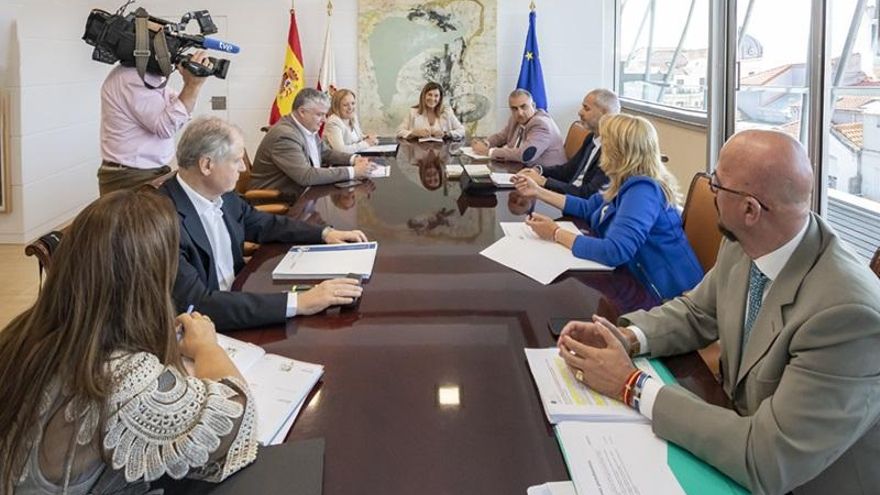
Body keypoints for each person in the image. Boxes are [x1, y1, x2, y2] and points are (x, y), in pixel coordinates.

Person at [558, 129, 880, 495]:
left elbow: (768, 458)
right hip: (734, 436)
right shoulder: (749, 241)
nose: (710, 189)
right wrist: (627, 337)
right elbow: (697, 312)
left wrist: (631, 384)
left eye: (717, 183)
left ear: (749, 210)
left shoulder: (847, 315)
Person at [0, 188, 258, 494]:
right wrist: (207, 347)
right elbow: (234, 419)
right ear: (151, 279)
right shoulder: (121, 378)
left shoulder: (21, 332)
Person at [160, 116, 367, 331]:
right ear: (206, 165)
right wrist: (299, 302)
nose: (242, 168)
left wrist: (324, 233)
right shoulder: (161, 220)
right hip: (203, 328)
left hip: (238, 297)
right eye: (236, 160)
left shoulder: (222, 195)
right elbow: (198, 305)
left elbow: (263, 223)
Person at [513, 113, 702, 300]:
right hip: (631, 282)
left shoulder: (643, 190)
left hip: (661, 296)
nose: (602, 148)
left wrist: (555, 233)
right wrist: (538, 191)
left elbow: (615, 251)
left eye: (606, 143)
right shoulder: (624, 180)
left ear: (619, 151)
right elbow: (588, 208)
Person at [98, 52, 211, 196]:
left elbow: (179, 109)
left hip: (147, 172)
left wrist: (191, 85)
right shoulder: (132, 78)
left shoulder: (147, 76)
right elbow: (166, 126)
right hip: (131, 178)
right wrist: (192, 86)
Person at [251, 88, 377, 199]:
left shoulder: (307, 127)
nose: (324, 120)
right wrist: (353, 171)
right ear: (302, 112)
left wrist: (354, 159)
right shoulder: (285, 135)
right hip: (281, 200)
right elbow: (306, 176)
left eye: (325, 114)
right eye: (319, 114)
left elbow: (324, 152)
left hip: (305, 193)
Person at [517, 89, 620, 198]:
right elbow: (567, 171)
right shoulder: (591, 138)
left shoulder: (614, 149)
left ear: (606, 114)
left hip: (583, 207)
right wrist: (539, 170)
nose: (580, 112)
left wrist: (543, 182)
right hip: (569, 197)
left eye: (586, 108)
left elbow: (588, 194)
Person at [469, 89, 565, 165]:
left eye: (524, 107)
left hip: (546, 177)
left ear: (533, 105)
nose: (519, 113)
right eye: (514, 109)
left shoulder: (541, 124)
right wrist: (486, 143)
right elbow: (502, 136)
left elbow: (525, 155)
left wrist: (489, 152)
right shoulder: (516, 119)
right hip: (523, 171)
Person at [397, 82, 465, 141]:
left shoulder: (447, 112)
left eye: (436, 96)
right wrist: (414, 133)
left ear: (440, 98)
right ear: (424, 96)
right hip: (418, 153)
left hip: (441, 153)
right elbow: (399, 131)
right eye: (430, 95)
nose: (433, 98)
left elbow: (462, 131)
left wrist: (446, 134)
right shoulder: (413, 112)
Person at [323, 89, 378, 153]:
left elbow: (355, 138)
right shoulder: (333, 122)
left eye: (353, 103)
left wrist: (366, 138)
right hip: (341, 161)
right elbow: (340, 150)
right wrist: (365, 144)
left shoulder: (352, 117)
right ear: (336, 107)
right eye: (345, 105)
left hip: (357, 157)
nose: (350, 107)